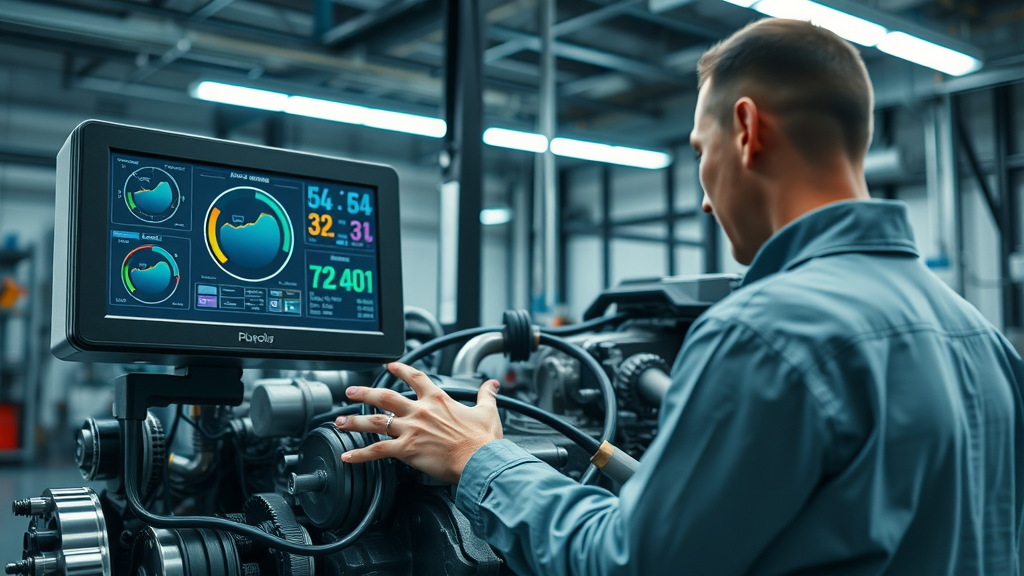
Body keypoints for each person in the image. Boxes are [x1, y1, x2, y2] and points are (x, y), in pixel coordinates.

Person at [333, 18, 1024, 575]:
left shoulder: (764, 334)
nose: (700, 197)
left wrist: (479, 458)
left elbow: (627, 561)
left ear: (748, 130)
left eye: (700, 149)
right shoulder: (981, 338)